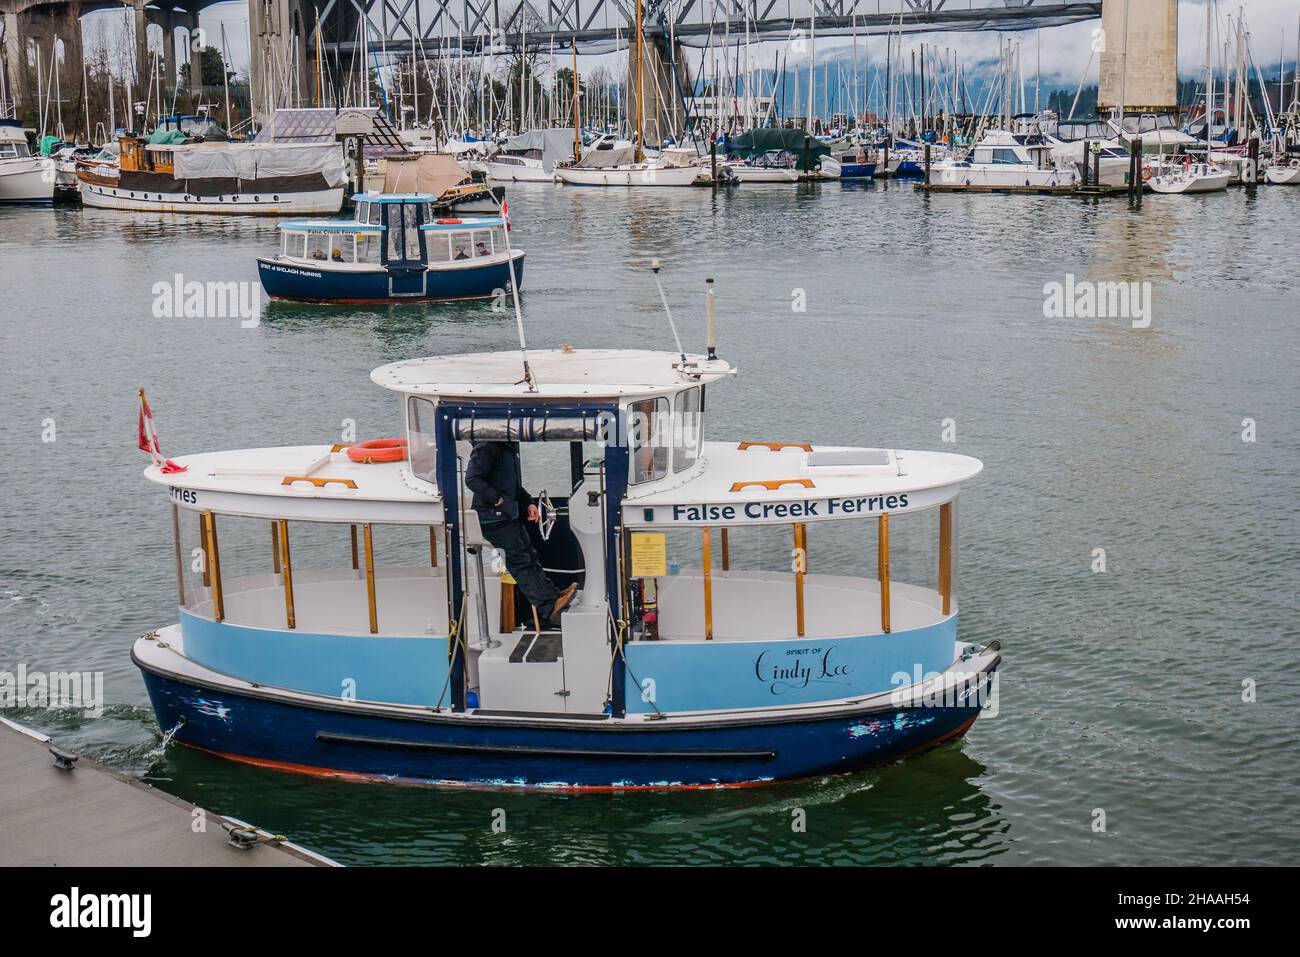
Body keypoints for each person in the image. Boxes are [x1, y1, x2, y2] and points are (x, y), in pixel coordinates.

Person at [465, 441, 576, 628]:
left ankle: (554, 597)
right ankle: (548, 607)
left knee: (530, 557)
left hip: (509, 516)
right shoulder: (488, 446)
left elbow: (513, 485)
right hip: (493, 520)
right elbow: (472, 479)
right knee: (520, 563)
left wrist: (529, 503)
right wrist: (498, 500)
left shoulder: (508, 447)